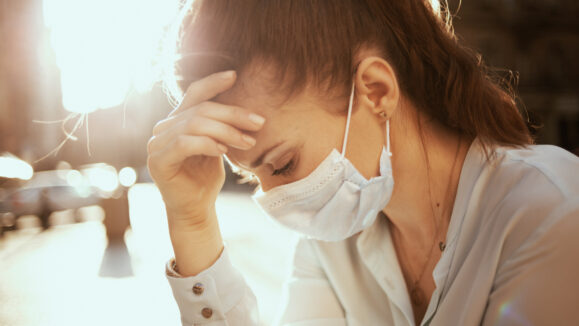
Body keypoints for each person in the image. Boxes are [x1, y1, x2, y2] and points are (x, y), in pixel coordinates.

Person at [146, 0, 579, 325]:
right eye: (251, 177)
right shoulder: (332, 245)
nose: (277, 202)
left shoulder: (548, 214)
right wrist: (194, 225)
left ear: (375, 90)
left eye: (281, 165)